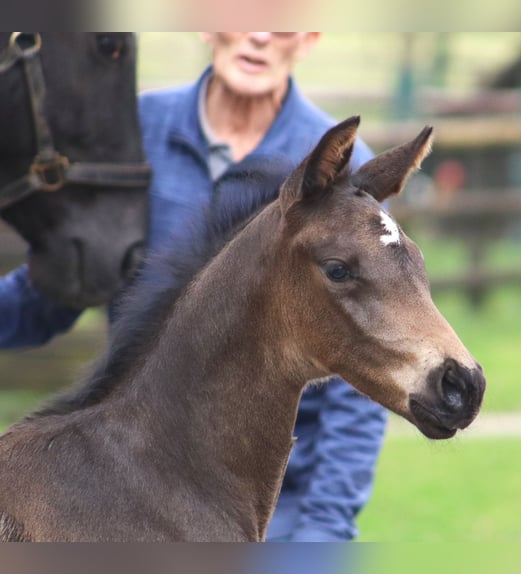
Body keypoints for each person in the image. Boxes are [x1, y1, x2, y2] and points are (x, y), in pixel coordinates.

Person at [0, 32, 387, 542]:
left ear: (311, 36)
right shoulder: (134, 132)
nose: (260, 33)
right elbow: (61, 285)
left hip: (277, 499)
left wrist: (323, 530)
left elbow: (361, 378)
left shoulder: (342, 169)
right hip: (125, 486)